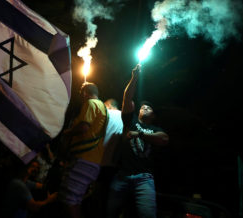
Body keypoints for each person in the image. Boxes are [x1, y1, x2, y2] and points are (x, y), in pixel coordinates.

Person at [106, 64, 169, 218]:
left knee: (147, 214)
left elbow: (164, 139)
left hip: (144, 178)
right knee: (109, 212)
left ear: (153, 115)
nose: (145, 108)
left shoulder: (155, 128)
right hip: (122, 175)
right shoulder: (130, 121)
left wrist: (139, 134)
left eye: (148, 108)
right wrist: (134, 78)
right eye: (143, 107)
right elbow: (127, 98)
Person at [58, 82, 108, 218]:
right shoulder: (103, 107)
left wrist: (67, 132)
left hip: (84, 159)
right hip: (92, 161)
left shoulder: (90, 103)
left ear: (85, 93)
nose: (81, 96)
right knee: (75, 200)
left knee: (68, 200)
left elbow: (84, 127)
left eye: (81, 92)